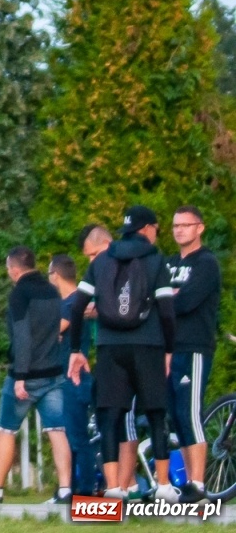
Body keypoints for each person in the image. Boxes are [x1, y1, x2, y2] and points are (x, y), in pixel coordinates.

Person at [67, 206, 179, 502]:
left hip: (109, 346)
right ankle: (164, 486)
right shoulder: (156, 260)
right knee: (156, 412)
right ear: (147, 229)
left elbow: (77, 306)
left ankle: (115, 488)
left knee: (110, 416)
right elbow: (167, 312)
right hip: (148, 344)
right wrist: (169, 348)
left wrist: (75, 351)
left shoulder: (101, 261)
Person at [0, 246, 74, 505]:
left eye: (7, 269)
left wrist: (21, 376)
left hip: (26, 373)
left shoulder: (19, 294)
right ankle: (66, 490)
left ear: (14, 269)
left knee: (6, 430)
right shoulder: (52, 291)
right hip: (54, 373)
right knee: (57, 431)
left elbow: (23, 336)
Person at [168, 204, 221, 502]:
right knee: (176, 417)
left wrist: (168, 299)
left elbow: (185, 302)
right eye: (175, 226)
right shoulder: (169, 263)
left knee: (190, 414)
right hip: (168, 349)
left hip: (194, 347)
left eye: (185, 225)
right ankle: (189, 482)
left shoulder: (206, 263)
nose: (179, 230)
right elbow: (156, 298)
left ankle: (200, 484)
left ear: (199, 227)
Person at [51, 251, 100, 495]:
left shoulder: (72, 303)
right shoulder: (72, 303)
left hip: (74, 378)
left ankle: (85, 491)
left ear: (55, 275)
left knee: (78, 438)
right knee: (69, 438)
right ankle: (67, 489)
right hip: (65, 378)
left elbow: (50, 333)